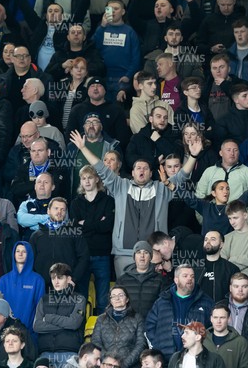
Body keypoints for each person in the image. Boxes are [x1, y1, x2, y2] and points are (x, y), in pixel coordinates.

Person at [69, 127, 202, 277]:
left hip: (153, 254)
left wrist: (193, 156)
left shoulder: (161, 188)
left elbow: (182, 176)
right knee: (124, 293)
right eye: (138, 167)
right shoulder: (120, 186)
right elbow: (101, 168)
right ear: (132, 172)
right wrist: (83, 147)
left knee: (150, 293)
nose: (142, 170)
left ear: (151, 173)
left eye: (146, 168)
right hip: (124, 253)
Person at [70, 165, 115, 314]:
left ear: (97, 179)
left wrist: (86, 223)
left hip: (102, 254)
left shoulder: (108, 201)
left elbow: (107, 226)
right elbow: (76, 227)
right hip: (81, 256)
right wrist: (97, 223)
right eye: (83, 178)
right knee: (81, 298)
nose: (87, 181)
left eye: (90, 177)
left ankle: (101, 333)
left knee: (103, 299)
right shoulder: (76, 202)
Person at [145, 265, 214, 361]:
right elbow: (150, 325)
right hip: (165, 359)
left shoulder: (206, 302)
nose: (190, 279)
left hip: (195, 359)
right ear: (176, 280)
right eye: (185, 276)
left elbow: (212, 329)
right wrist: (158, 344)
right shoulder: (162, 301)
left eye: (192, 276)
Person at [34, 263, 86, 368]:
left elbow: (74, 324)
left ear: (68, 279)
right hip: (45, 353)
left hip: (70, 352)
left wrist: (49, 318)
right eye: (53, 278)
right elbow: (37, 326)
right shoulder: (44, 299)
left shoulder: (79, 298)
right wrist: (65, 325)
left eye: (60, 278)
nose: (56, 281)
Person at [29, 198, 89, 288]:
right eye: (56, 208)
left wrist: (73, 278)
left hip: (67, 286)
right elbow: (30, 260)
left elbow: (84, 257)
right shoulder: (36, 235)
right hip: (42, 286)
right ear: (48, 211)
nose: (59, 212)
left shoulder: (75, 233)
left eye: (63, 209)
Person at [93, 0, 141, 101]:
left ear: (123, 12)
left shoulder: (130, 31)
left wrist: (128, 76)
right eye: (109, 9)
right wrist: (102, 26)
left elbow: (136, 57)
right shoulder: (101, 28)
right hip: (102, 77)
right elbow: (93, 48)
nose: (113, 11)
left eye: (116, 8)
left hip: (122, 78)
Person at [0, 241, 45, 340]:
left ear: (30, 255)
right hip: (8, 334)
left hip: (30, 334)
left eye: (24, 251)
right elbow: (0, 308)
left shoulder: (38, 280)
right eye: (17, 251)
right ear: (13, 254)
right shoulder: (4, 280)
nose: (20, 254)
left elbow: (40, 309)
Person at [91, 286, 146, 368]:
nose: (117, 298)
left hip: (129, 365)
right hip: (106, 365)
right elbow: (96, 341)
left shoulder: (137, 318)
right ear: (110, 300)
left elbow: (141, 344)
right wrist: (108, 362)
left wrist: (124, 364)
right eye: (113, 296)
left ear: (127, 299)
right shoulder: (101, 319)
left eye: (121, 295)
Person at [125, 106, 182, 174]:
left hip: (169, 179)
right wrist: (154, 161)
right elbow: (130, 159)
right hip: (144, 179)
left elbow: (178, 155)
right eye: (158, 116)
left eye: (165, 117)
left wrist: (159, 140)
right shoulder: (138, 137)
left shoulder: (174, 134)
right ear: (151, 119)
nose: (162, 120)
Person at [116, 241, 166, 319]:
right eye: (138, 252)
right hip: (128, 325)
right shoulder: (122, 280)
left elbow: (163, 306)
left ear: (150, 257)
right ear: (134, 257)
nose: (142, 256)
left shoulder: (160, 280)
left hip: (151, 324)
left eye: (146, 252)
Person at [203, 304, 248, 368]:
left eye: (222, 317)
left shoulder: (240, 342)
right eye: (215, 317)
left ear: (229, 319)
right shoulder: (202, 340)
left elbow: (246, 366)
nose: (218, 321)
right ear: (211, 319)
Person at [198, 231, 240, 303]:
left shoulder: (232, 269)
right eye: (206, 239)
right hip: (198, 310)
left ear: (221, 244)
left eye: (213, 239)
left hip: (222, 310)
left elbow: (235, 294)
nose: (208, 242)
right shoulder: (194, 267)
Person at [129, 70, 175, 135]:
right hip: (146, 144)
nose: (154, 87)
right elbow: (141, 135)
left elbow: (172, 130)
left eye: (155, 83)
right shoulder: (136, 109)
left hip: (166, 143)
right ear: (140, 86)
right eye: (150, 84)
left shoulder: (164, 105)